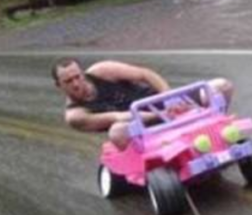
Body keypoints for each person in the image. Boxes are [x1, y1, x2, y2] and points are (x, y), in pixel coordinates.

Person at [51, 58, 233, 149]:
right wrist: (161, 115)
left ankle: (216, 131)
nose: (76, 84)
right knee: (116, 132)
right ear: (58, 86)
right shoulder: (75, 115)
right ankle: (156, 161)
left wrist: (170, 100)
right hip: (142, 127)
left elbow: (145, 74)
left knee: (222, 86)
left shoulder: (102, 71)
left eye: (77, 77)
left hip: (161, 103)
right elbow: (117, 117)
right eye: (68, 81)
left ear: (82, 74)